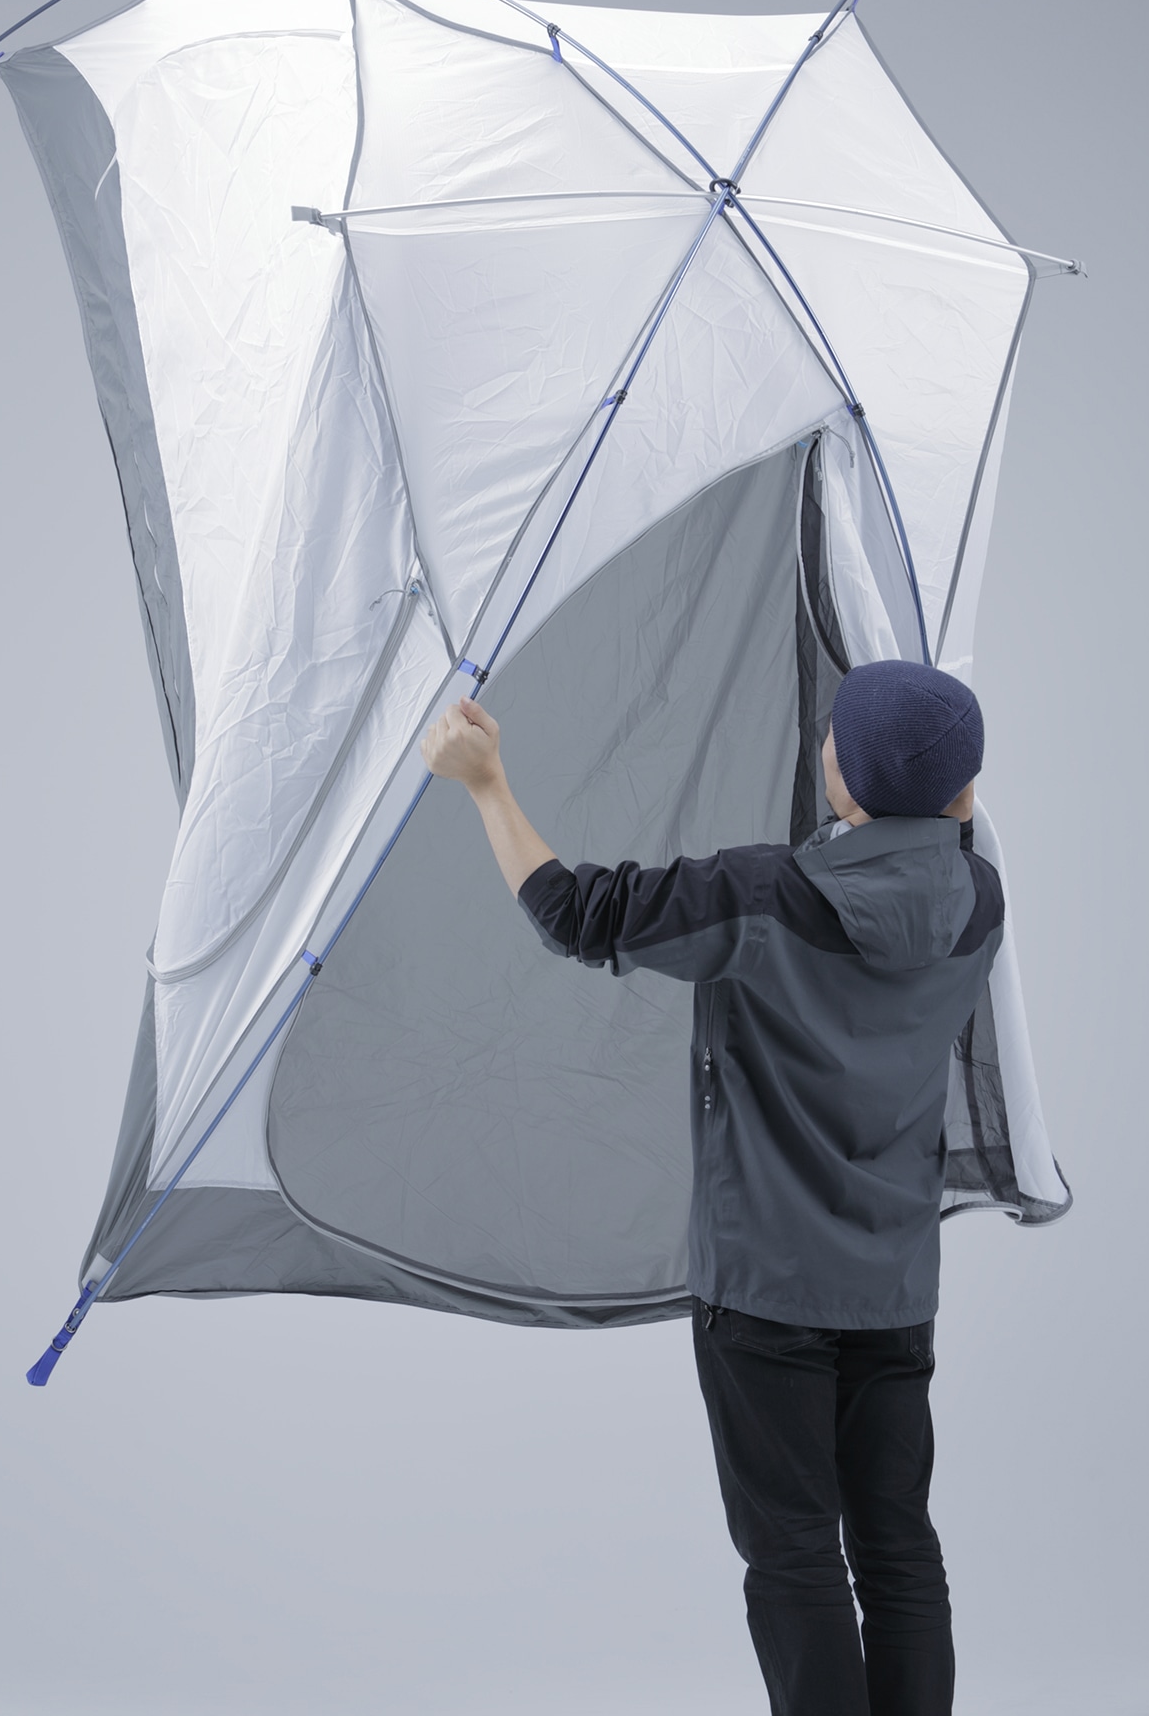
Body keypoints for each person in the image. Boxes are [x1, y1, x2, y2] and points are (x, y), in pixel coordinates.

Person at [421, 658, 1001, 1716]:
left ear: (840, 777)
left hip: (766, 1291)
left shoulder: (766, 896)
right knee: (898, 1548)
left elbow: (576, 915)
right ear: (963, 793)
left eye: (834, 736)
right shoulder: (976, 901)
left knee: (793, 1554)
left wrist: (485, 783)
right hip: (894, 1287)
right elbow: (919, 833)